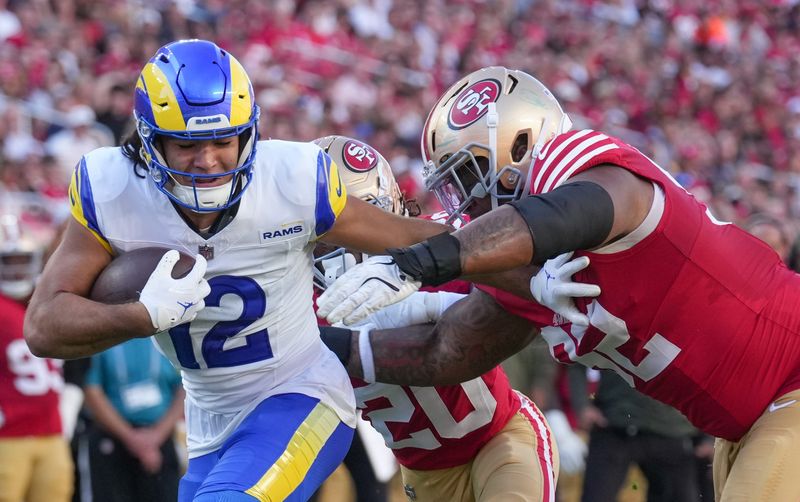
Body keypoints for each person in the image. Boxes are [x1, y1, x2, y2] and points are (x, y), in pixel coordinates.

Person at [316, 66, 800, 501]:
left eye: (466, 176)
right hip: (744, 422)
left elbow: (580, 208)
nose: (460, 202)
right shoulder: (532, 272)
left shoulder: (584, 168)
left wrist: (418, 263)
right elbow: (449, 350)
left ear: (521, 145)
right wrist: (324, 344)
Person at [23, 39, 448, 501]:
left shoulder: (292, 178)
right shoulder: (112, 192)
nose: (207, 161)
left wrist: (513, 238)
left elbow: (407, 236)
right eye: (186, 144)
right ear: (151, 140)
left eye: (222, 141)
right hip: (210, 426)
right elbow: (43, 327)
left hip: (300, 393)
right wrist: (142, 315)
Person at [315, 135, 559, 502]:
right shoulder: (295, 302)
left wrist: (434, 293)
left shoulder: (436, 249)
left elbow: (530, 282)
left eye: (350, 226)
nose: (338, 249)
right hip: (425, 473)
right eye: (321, 235)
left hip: (499, 436)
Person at [0, 212, 73, 502]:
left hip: (51, 430)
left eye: (22, 260)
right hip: (8, 435)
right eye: (8, 261)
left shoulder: (44, 300)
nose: (17, 271)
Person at [81, 338, 185, 502]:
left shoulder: (165, 333)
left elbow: (184, 387)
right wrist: (131, 437)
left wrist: (156, 436)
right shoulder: (101, 333)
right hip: (113, 439)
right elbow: (91, 390)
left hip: (161, 438)